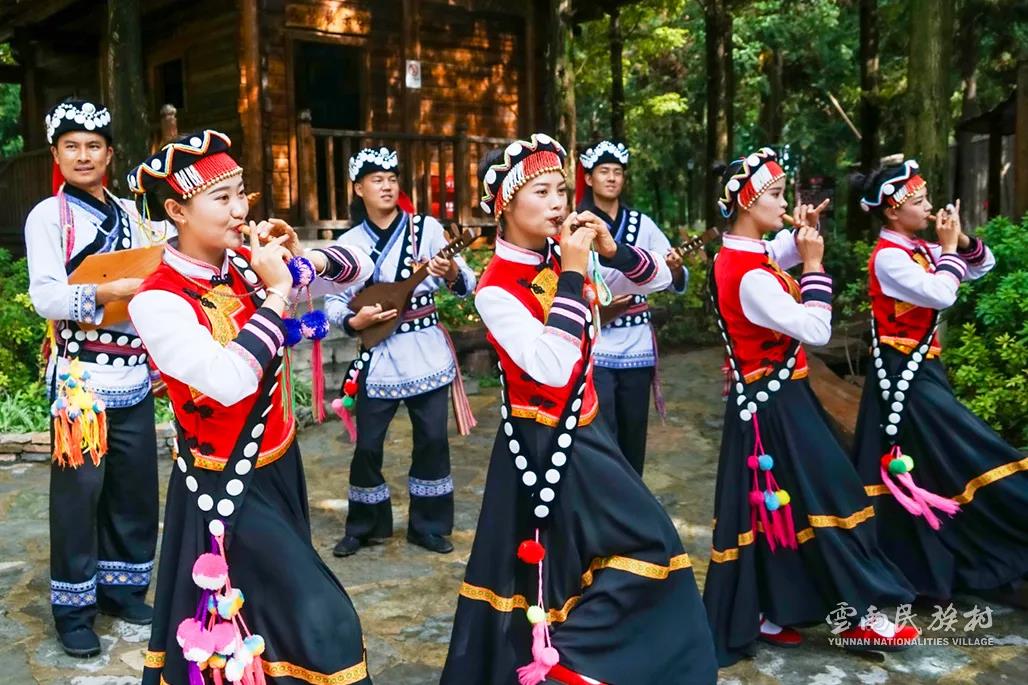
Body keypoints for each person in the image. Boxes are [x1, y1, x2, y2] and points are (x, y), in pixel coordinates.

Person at [441, 134, 718, 685]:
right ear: (505, 205)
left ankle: (566, 659)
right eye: (540, 191)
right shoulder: (496, 288)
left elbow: (662, 280)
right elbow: (552, 365)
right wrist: (573, 272)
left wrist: (612, 253)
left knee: (600, 553)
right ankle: (566, 660)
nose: (557, 203)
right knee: (636, 544)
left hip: (584, 429)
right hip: (542, 441)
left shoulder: (567, 255)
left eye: (561, 190)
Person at [126, 130, 375, 685]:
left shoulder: (245, 266)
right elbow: (229, 381)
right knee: (324, 619)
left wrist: (302, 259)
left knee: (263, 618)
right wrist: (278, 292)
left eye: (242, 193)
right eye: (222, 198)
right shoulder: (157, 300)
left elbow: (360, 267)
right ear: (176, 211)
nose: (240, 210)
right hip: (223, 486)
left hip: (280, 466)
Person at [703, 147, 918, 666]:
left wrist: (803, 235)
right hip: (777, 406)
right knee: (835, 495)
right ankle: (861, 615)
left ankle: (767, 612)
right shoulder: (750, 275)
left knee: (778, 510)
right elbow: (816, 329)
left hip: (767, 402)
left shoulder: (738, 256)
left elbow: (774, 254)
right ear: (748, 201)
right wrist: (816, 265)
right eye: (777, 194)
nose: (786, 203)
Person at [25, 98, 167, 658]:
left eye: (93, 146)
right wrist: (108, 291)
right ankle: (73, 609)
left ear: (110, 154)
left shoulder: (134, 215)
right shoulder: (48, 216)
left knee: (134, 489)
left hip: (133, 374)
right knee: (79, 497)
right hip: (80, 382)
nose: (83, 156)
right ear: (56, 155)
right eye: (71, 147)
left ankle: (122, 589)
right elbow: (46, 297)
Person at [851, 159, 1028, 602]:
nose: (929, 207)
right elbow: (942, 292)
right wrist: (947, 249)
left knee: (933, 463)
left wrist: (959, 240)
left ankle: (953, 567)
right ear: (893, 211)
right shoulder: (889, 257)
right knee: (968, 448)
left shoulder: (918, 249)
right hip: (901, 378)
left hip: (921, 372)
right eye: (919, 201)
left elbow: (982, 265)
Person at [325, 146, 477, 557]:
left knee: (432, 441)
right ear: (359, 189)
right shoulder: (348, 242)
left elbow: (467, 284)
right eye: (377, 180)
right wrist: (354, 321)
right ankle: (365, 526)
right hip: (378, 354)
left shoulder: (426, 229)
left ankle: (428, 526)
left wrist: (452, 270)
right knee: (368, 445)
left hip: (425, 348)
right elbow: (334, 301)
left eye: (392, 179)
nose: (387, 186)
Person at [576, 139, 688, 474]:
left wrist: (676, 267)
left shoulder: (644, 224)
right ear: (589, 178)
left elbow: (670, 275)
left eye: (618, 172)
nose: (612, 178)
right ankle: (607, 492)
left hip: (637, 341)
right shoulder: (577, 224)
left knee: (635, 428)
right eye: (604, 171)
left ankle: (633, 492)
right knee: (603, 428)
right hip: (597, 343)